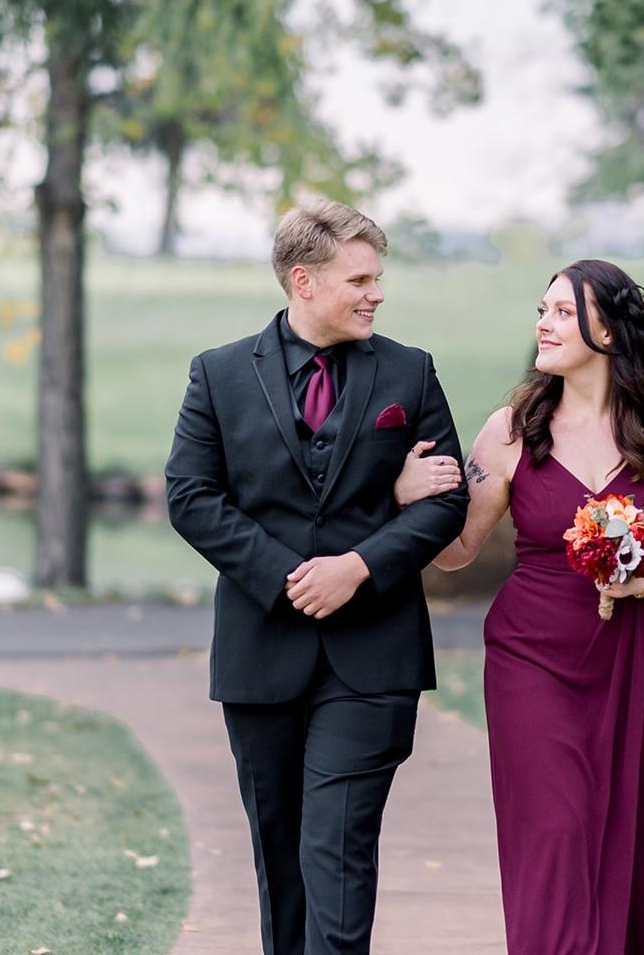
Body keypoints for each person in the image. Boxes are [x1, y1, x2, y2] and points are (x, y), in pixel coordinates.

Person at [165, 199, 468, 955]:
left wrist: (357, 567)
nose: (376, 294)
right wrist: (291, 578)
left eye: (377, 278)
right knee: (280, 859)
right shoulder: (219, 374)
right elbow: (191, 497)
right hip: (260, 650)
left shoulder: (409, 371)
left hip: (374, 655)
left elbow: (447, 499)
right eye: (359, 280)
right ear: (304, 280)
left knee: (337, 848)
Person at [395, 260, 644, 955]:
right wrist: (407, 500)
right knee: (555, 831)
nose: (543, 324)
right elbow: (457, 551)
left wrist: (638, 579)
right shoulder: (510, 429)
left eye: (563, 312)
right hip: (533, 657)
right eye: (542, 310)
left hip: (642, 655)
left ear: (610, 330)